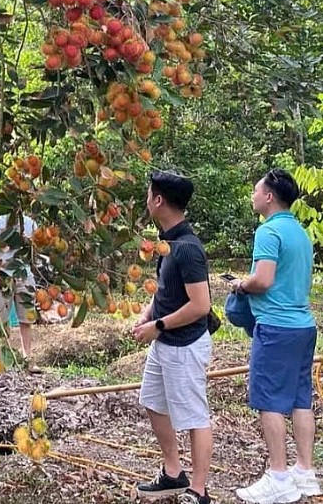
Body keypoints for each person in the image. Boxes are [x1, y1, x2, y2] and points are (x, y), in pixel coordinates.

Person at [231, 169, 319, 504]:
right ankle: (305, 471)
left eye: (256, 190)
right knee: (299, 398)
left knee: (268, 400)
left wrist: (241, 283)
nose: (253, 195)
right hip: (303, 325)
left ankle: (279, 476)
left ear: (269, 196)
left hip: (276, 326)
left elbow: (264, 280)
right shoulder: (299, 232)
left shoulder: (268, 232)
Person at [132, 171, 213, 504]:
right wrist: (148, 314)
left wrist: (159, 325)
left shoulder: (187, 249)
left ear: (159, 200)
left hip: (185, 344)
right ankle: (172, 472)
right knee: (152, 401)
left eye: (149, 194)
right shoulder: (167, 242)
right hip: (164, 341)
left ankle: (198, 489)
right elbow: (166, 290)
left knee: (194, 416)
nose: (146, 199)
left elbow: (201, 305)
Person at [0, 208, 38, 358]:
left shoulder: (31, 224)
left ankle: (27, 356)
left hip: (24, 275)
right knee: (0, 320)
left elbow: (34, 252)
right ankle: (1, 356)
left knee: (26, 319)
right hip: (1, 276)